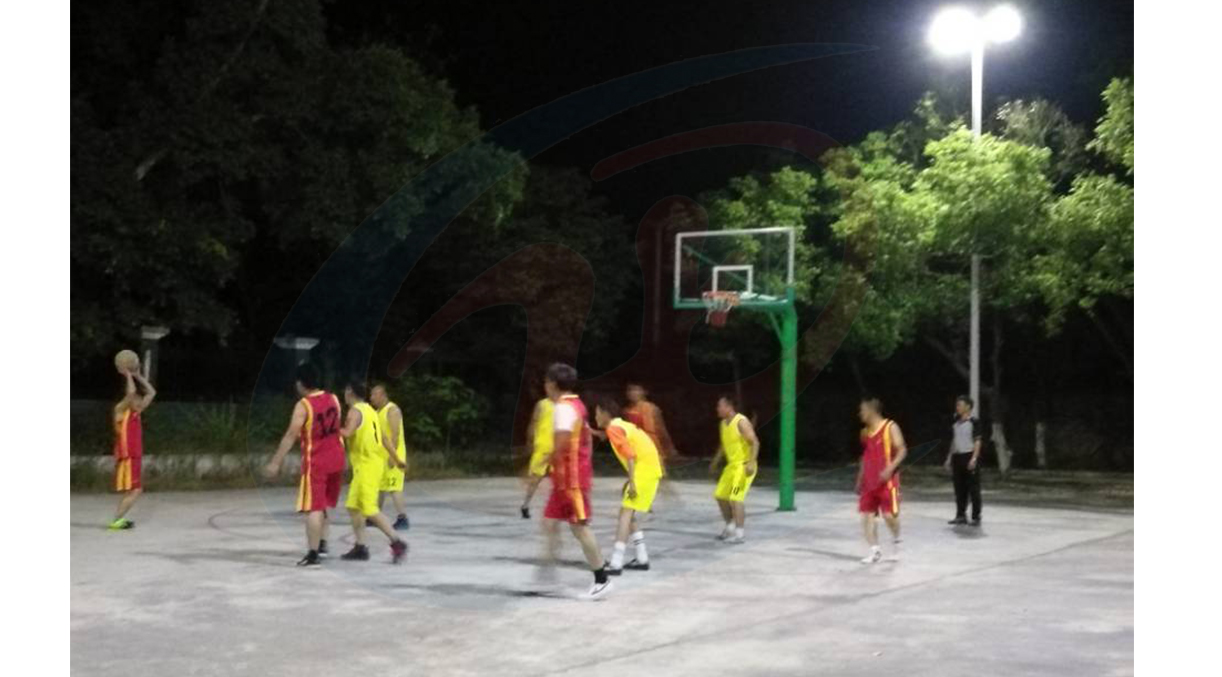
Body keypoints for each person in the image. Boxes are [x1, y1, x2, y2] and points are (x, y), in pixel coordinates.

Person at [536, 362, 612, 600]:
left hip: (572, 481)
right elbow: (584, 435)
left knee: (580, 528)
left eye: (546, 381)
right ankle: (548, 575)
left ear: (552, 383)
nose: (545, 385)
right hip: (565, 480)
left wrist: (541, 466)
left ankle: (602, 579)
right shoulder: (577, 404)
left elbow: (561, 443)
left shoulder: (563, 408)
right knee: (549, 523)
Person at [264, 363, 346, 567]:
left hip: (317, 461)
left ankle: (313, 553)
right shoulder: (334, 399)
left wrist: (276, 461)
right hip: (337, 457)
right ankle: (323, 544)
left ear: (300, 383)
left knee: (313, 508)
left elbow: (291, 434)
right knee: (324, 504)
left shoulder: (304, 405)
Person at [339, 382, 408, 564]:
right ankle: (361, 547)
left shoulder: (355, 412)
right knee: (353, 507)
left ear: (349, 392)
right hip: (370, 464)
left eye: (345, 391)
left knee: (369, 509)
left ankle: (397, 542)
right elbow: (384, 439)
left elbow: (347, 433)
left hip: (367, 466)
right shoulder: (371, 411)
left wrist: (328, 430)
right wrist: (397, 458)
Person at [594, 399, 663, 575]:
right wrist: (591, 431)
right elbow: (607, 437)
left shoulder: (614, 428)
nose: (596, 417)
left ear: (605, 413)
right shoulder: (620, 426)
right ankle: (642, 558)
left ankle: (616, 563)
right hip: (648, 470)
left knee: (625, 515)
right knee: (628, 515)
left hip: (644, 471)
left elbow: (630, 456)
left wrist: (632, 482)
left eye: (597, 413)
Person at [856, 397, 907, 564]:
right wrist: (860, 478)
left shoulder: (890, 427)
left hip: (887, 482)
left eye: (863, 410)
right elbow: (865, 456)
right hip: (869, 482)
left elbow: (902, 450)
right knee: (867, 517)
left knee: (889, 516)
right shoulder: (865, 432)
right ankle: (875, 551)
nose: (860, 414)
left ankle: (896, 540)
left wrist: (890, 468)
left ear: (872, 410)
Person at [110, 364, 156, 530]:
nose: (139, 402)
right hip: (127, 457)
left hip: (134, 456)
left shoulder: (136, 413)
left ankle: (118, 520)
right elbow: (130, 393)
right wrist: (128, 375)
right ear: (130, 401)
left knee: (134, 490)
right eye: (136, 400)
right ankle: (117, 520)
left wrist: (138, 376)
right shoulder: (120, 411)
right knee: (135, 490)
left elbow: (151, 393)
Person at [710, 395, 759, 543]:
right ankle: (730, 525)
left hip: (743, 467)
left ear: (729, 407)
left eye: (720, 406)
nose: (717, 409)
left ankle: (739, 533)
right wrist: (715, 461)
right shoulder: (723, 424)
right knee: (720, 495)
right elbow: (723, 445)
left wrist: (751, 463)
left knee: (735, 497)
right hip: (731, 466)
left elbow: (755, 442)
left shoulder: (741, 422)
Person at [370, 384, 410, 530]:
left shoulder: (392, 410)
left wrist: (393, 457)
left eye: (374, 395)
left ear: (382, 395)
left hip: (394, 455)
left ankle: (402, 518)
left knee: (394, 487)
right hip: (382, 456)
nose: (371, 398)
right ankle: (375, 516)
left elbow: (395, 434)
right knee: (380, 486)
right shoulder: (377, 412)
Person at [944, 395, 983, 526]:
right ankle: (960, 515)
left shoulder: (974, 422)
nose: (957, 407)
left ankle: (976, 516)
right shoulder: (955, 422)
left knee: (973, 489)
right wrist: (949, 458)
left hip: (969, 455)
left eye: (960, 405)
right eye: (957, 405)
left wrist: (974, 458)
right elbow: (954, 441)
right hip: (957, 457)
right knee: (959, 488)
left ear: (968, 407)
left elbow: (977, 441)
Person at [520, 391, 554, 519]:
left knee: (561, 480)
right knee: (535, 478)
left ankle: (560, 508)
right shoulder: (542, 404)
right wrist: (529, 442)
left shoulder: (565, 405)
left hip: (558, 447)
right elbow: (533, 423)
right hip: (542, 446)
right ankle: (525, 505)